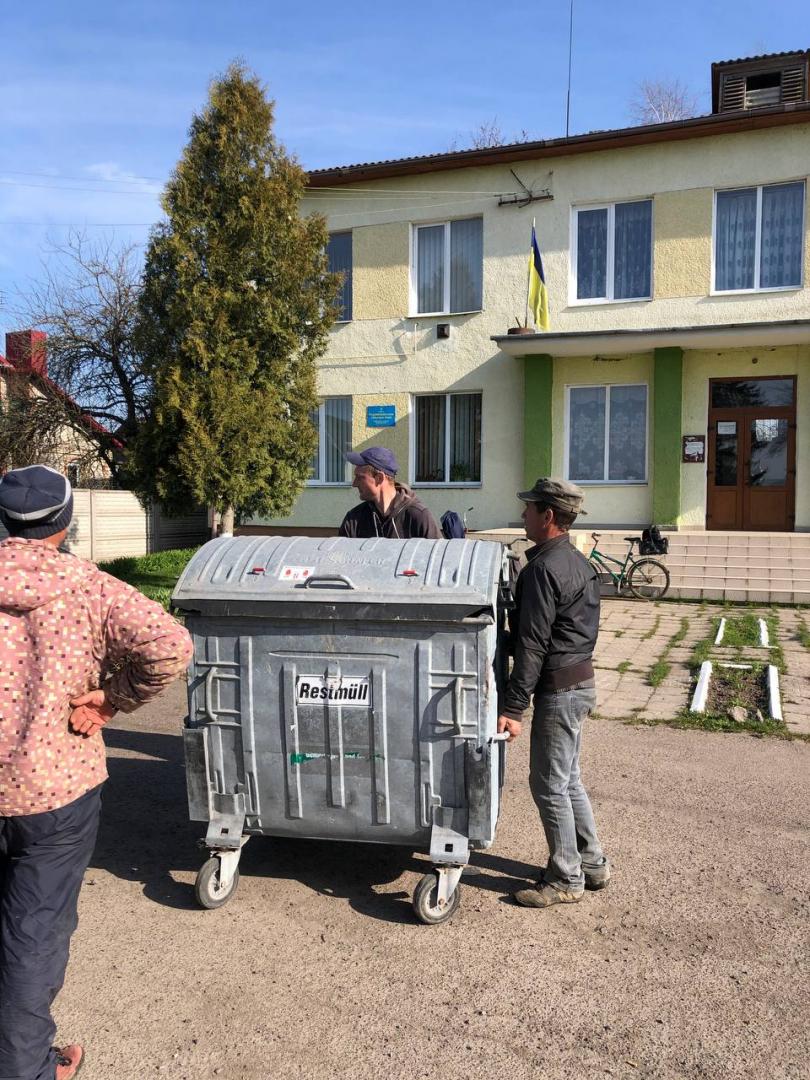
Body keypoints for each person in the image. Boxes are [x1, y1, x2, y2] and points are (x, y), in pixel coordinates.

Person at [0, 465, 193, 1080]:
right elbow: (170, 646)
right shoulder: (89, 587)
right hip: (55, 788)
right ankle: (25, 1069)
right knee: (32, 935)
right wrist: (113, 700)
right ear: (64, 522)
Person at [497, 478, 610, 909]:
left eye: (529, 509)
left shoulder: (543, 570)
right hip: (581, 683)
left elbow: (533, 645)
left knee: (548, 784)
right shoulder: (579, 562)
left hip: (559, 689)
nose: (522, 515)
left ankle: (566, 878)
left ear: (548, 516)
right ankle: (592, 863)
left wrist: (513, 707)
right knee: (568, 780)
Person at [338, 447, 442, 539]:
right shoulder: (354, 519)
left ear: (379, 478)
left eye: (360, 477)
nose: (354, 484)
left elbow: (437, 553)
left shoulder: (418, 516)